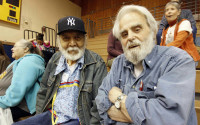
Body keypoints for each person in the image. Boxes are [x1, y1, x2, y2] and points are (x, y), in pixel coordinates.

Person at [95, 4, 197, 125]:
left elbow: (169, 119)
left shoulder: (177, 60)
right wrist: (141, 115)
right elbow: (101, 102)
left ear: (153, 31)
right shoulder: (118, 62)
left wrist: (119, 98)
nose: (131, 37)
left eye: (137, 30)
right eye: (124, 34)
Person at [13, 16, 107, 125]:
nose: (72, 43)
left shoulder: (96, 62)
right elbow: (43, 91)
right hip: (53, 115)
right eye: (66, 38)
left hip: (78, 119)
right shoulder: (54, 59)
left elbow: (100, 103)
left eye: (77, 38)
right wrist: (39, 117)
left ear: (85, 39)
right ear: (59, 40)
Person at [0, 39, 45, 121]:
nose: (11, 49)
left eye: (15, 46)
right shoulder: (19, 61)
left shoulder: (29, 61)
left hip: (23, 107)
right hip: (12, 102)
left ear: (26, 49)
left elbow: (17, 91)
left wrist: (1, 101)